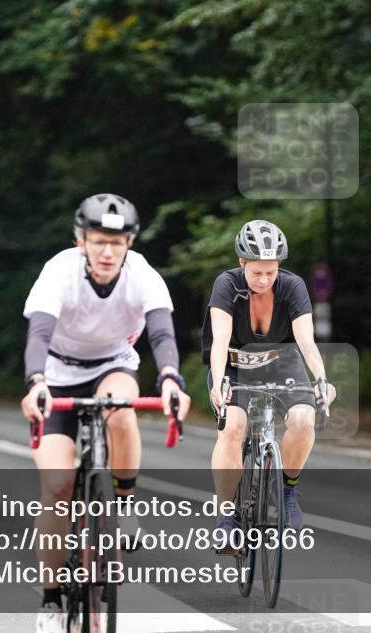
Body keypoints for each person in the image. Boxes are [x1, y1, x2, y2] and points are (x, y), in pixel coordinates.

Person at [20, 193, 191, 633]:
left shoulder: (143, 276)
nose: (108, 251)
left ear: (130, 242)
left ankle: (125, 503)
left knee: (120, 411)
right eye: (98, 241)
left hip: (113, 365)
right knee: (56, 489)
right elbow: (38, 332)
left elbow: (162, 333)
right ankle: (52, 600)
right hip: (57, 374)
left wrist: (171, 378)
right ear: (82, 240)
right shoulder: (59, 271)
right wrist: (36, 382)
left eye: (117, 242)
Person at [202, 220, 336, 547]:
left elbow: (305, 340)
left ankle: (287, 492)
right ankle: (225, 517)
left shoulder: (292, 287)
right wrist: (219, 382)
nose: (264, 280)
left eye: (271, 273)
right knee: (231, 427)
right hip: (234, 365)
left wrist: (321, 379)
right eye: (256, 272)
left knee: (304, 421)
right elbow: (219, 340)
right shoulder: (226, 284)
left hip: (281, 363)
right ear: (242, 264)